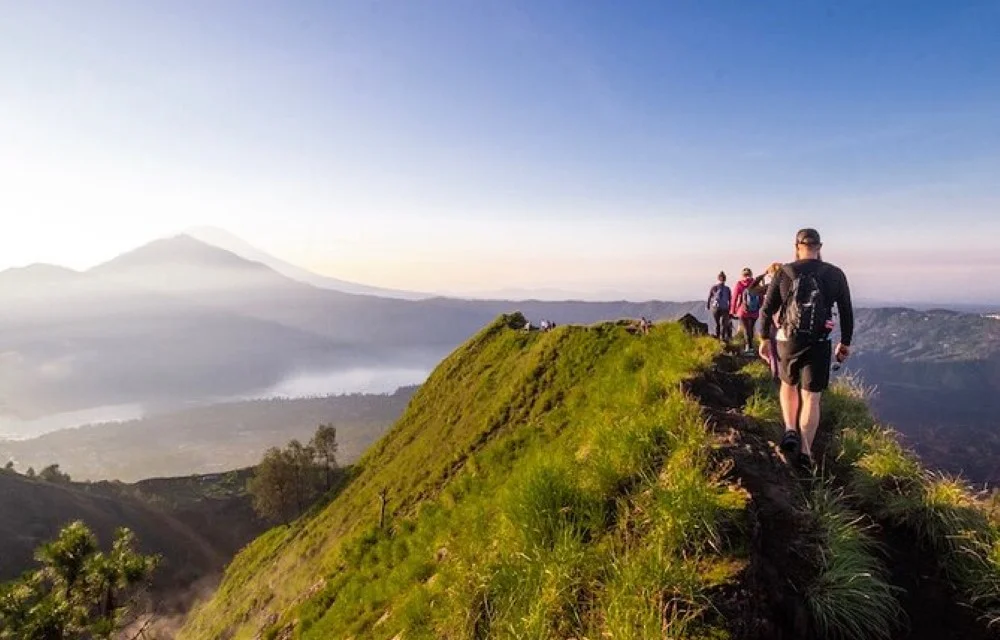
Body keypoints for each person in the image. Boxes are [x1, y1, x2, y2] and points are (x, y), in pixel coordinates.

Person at [758, 228, 854, 470]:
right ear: (819, 247)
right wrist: (845, 343)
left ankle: (790, 429)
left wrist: (763, 339)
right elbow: (846, 311)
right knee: (812, 397)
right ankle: (806, 451)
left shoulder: (785, 272)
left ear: (796, 246)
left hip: (787, 340)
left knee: (788, 385)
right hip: (819, 342)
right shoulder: (835, 274)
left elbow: (767, 309)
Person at [731, 267, 761, 355]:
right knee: (751, 328)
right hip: (754, 311)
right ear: (751, 275)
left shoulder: (739, 284)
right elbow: (761, 296)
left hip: (743, 311)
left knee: (746, 329)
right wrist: (759, 306)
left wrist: (732, 310)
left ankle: (748, 348)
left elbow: (734, 298)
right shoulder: (756, 283)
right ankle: (751, 347)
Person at [706, 272, 732, 341]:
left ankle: (719, 337)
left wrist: (708, 305)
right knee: (723, 323)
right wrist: (731, 308)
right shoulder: (727, 289)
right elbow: (730, 299)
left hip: (716, 307)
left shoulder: (714, 287)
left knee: (718, 323)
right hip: (724, 308)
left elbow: (709, 297)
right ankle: (721, 337)